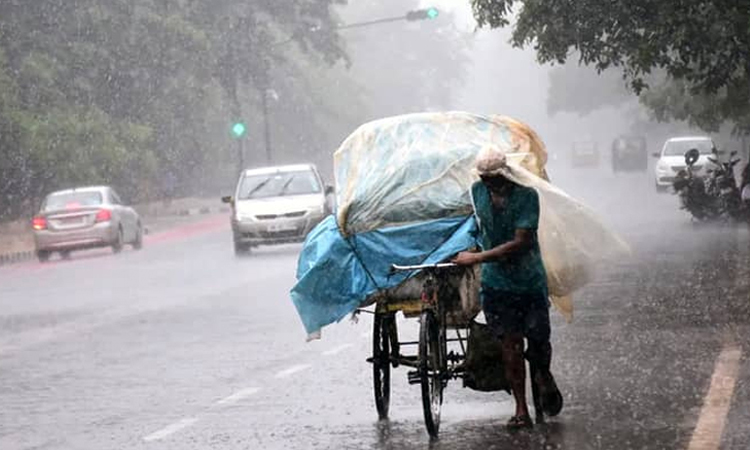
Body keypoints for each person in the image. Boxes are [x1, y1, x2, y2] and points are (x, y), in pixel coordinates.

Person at [452, 148, 560, 429]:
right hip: (497, 285)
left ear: (505, 174)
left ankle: (543, 374)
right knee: (510, 346)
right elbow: (475, 224)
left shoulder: (526, 197)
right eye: (486, 178)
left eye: (495, 177)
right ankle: (521, 408)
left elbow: (520, 242)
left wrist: (477, 257)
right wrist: (465, 247)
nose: (490, 183)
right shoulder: (477, 193)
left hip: (528, 282)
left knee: (538, 342)